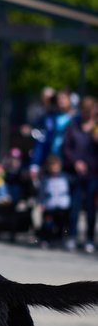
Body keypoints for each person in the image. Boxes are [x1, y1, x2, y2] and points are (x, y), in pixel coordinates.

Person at [61, 95, 98, 253]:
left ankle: (90, 238)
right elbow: (66, 147)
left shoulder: (96, 127)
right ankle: (72, 236)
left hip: (94, 172)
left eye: (91, 111)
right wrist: (75, 162)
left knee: (91, 207)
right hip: (75, 172)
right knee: (74, 206)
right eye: (85, 111)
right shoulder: (73, 126)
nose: (88, 114)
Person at [35, 154, 71, 248]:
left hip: (62, 205)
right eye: (52, 166)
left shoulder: (65, 177)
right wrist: (41, 202)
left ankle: (58, 240)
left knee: (61, 224)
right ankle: (45, 239)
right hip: (49, 205)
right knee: (48, 224)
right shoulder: (45, 178)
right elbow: (41, 192)